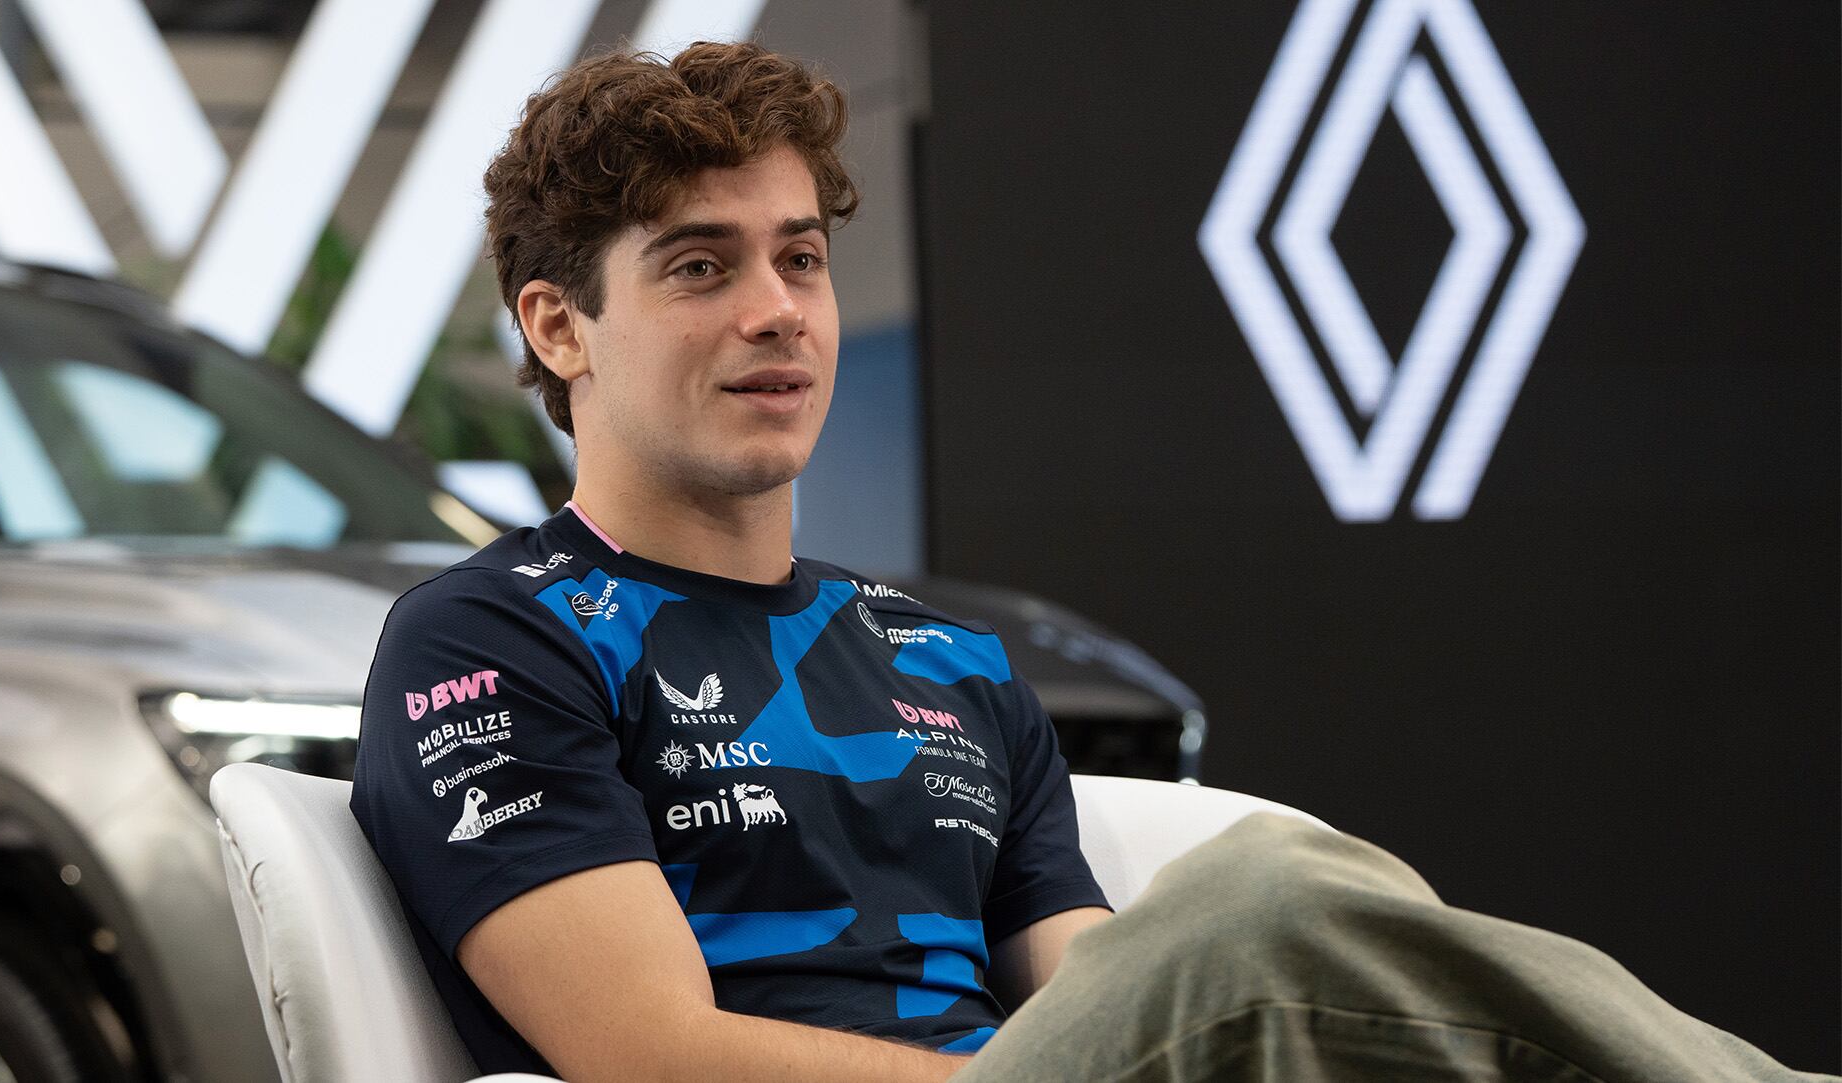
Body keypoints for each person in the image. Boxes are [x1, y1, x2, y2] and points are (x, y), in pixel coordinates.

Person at [351, 41, 1833, 1083]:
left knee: (1300, 920)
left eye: (800, 256)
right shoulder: (491, 639)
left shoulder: (942, 659)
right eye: (700, 266)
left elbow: (1092, 984)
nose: (778, 309)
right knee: (1257, 901)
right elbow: (648, 1056)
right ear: (559, 327)